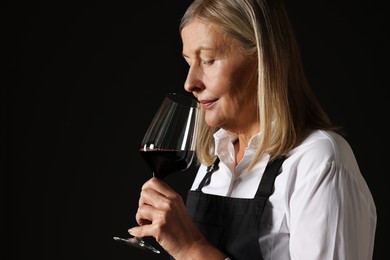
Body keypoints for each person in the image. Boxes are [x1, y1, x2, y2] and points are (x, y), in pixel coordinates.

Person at [128, 0, 377, 259]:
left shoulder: (318, 161)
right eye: (189, 62)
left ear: (262, 61)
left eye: (209, 60)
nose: (190, 82)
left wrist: (191, 248)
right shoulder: (214, 162)